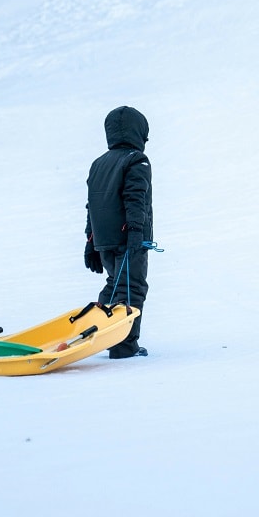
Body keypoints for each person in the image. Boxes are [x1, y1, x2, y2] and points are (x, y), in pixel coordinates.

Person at [84, 106, 153, 359]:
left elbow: (92, 206)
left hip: (105, 240)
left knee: (115, 286)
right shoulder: (137, 160)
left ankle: (97, 332)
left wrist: (91, 242)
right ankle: (124, 346)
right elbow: (135, 198)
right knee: (132, 288)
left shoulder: (98, 163)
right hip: (129, 238)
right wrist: (136, 233)